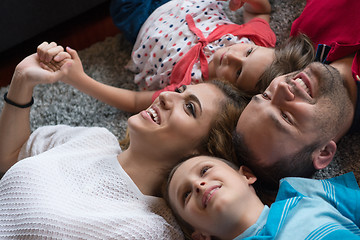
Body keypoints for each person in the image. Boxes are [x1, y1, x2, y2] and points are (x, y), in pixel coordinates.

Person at [0, 50, 246, 238]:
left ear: (203, 152)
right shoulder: (94, 139)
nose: (166, 96)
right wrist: (22, 81)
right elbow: (10, 157)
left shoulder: (152, 228)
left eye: (189, 107)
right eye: (179, 90)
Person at [37, 0, 314, 113]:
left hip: (141, 18)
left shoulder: (195, 88)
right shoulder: (257, 39)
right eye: (248, 52)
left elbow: (135, 101)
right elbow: (259, 12)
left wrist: (81, 79)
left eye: (238, 72)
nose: (232, 56)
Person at [234, 0, 360, 189]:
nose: (282, 88)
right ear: (324, 152)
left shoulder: (306, 31)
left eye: (266, 95)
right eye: (286, 117)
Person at [165, 155, 360, 240]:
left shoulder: (299, 191)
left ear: (247, 175)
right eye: (186, 194)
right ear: (200, 236)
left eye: (205, 170)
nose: (198, 185)